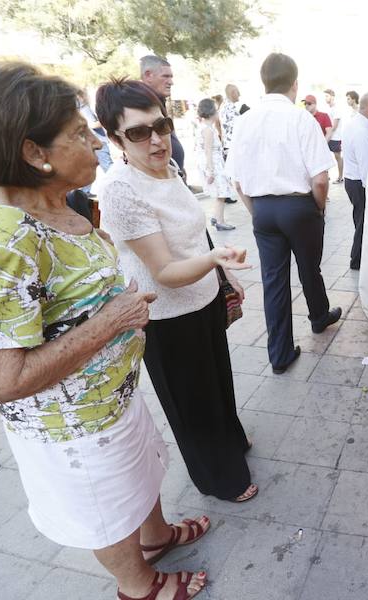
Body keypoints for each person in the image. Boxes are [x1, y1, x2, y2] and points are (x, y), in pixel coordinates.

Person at [0, 60, 210, 600]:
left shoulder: (40, 200)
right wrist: (110, 322)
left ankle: (157, 538)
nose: (97, 143)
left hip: (111, 399)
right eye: (80, 133)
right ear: (33, 153)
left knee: (141, 475)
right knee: (109, 508)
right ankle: (140, 586)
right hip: (77, 426)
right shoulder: (1, 239)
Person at [96, 79, 257, 506]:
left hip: (202, 298)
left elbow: (195, 232)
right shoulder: (120, 190)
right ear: (115, 139)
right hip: (167, 316)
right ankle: (219, 477)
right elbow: (164, 270)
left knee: (217, 382)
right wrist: (217, 260)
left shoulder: (168, 168)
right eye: (138, 132)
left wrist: (221, 275)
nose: (156, 139)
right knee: (192, 403)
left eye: (161, 126)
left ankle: (231, 442)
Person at [226, 53, 342, 372]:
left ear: (264, 82)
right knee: (309, 268)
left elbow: (237, 181)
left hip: (262, 208)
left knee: (273, 281)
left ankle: (279, 354)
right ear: (294, 84)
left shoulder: (245, 120)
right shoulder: (300, 117)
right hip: (299, 206)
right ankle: (318, 316)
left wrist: (255, 212)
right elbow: (320, 178)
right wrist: (318, 208)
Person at [341, 92, 368, 271]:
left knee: (361, 221)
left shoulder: (357, 125)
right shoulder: (361, 131)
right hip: (359, 182)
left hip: (353, 180)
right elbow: (366, 168)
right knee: (363, 222)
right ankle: (357, 261)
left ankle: (357, 258)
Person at [140, 55, 185, 179]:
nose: (171, 82)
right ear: (148, 75)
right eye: (165, 76)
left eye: (171, 77)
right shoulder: (140, 106)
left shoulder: (158, 102)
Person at [194, 98, 236, 231]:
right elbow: (208, 151)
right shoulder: (208, 130)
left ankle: (216, 217)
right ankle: (220, 220)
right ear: (211, 112)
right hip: (214, 164)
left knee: (220, 192)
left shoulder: (204, 127)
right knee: (221, 192)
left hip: (213, 162)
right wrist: (210, 171)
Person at [219, 84, 245, 161]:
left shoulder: (224, 106)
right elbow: (239, 128)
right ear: (233, 93)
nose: (239, 94)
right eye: (238, 92)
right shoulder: (230, 109)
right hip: (233, 148)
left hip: (228, 147)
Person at [323, 89, 345, 182]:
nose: (325, 98)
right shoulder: (328, 109)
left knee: (337, 157)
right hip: (328, 136)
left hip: (335, 137)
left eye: (327, 96)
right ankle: (326, 176)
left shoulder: (337, 109)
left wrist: (328, 134)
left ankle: (340, 177)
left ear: (332, 97)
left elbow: (334, 126)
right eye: (325, 96)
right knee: (324, 156)